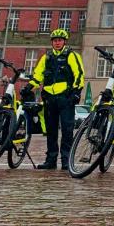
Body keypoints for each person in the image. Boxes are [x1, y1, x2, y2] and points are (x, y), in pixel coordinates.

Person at [24, 28, 85, 170]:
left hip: (66, 97)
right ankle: (51, 160)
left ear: (64, 41)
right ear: (52, 42)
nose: (57, 43)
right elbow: (38, 75)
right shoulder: (47, 57)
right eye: (55, 40)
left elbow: (79, 74)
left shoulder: (71, 55)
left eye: (60, 40)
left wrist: (76, 91)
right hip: (49, 98)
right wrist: (29, 87)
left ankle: (66, 160)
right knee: (51, 130)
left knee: (67, 129)